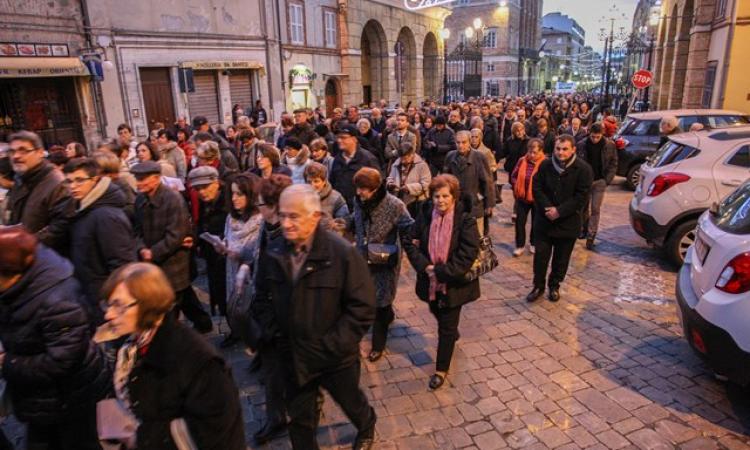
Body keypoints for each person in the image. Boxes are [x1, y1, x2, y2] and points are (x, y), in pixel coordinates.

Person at [253, 184, 377, 450]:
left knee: (351, 402)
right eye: (283, 214)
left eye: (294, 216)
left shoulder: (341, 254)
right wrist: (275, 334)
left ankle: (366, 425)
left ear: (315, 217)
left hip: (334, 358)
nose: (286, 223)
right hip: (293, 355)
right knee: (300, 420)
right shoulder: (274, 251)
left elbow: (363, 307)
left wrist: (333, 345)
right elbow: (261, 298)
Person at [102, 263, 246, 449]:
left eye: (119, 306)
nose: (108, 314)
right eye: (108, 304)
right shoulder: (131, 347)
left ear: (148, 304)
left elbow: (214, 430)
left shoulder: (198, 360)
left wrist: (140, 437)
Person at [0, 226, 109, 449]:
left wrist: (9, 362)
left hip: (69, 399)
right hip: (44, 398)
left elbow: (62, 360)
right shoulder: (23, 283)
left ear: (11, 274)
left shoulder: (57, 300)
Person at [402, 174, 480, 389]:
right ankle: (452, 331)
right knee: (435, 309)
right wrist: (425, 266)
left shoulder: (465, 219)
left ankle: (441, 369)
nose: (441, 201)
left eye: (445, 196)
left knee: (446, 327)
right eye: (437, 196)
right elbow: (409, 241)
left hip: (454, 283)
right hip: (429, 280)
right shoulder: (425, 213)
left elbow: (467, 253)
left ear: (454, 196)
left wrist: (441, 272)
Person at [132, 161, 213, 332]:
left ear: (155, 179)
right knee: (185, 298)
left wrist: (151, 253)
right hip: (153, 262)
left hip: (174, 261)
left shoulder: (173, 200)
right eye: (137, 178)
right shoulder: (140, 200)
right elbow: (137, 230)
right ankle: (203, 324)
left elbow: (176, 235)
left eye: (142, 179)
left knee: (171, 303)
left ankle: (172, 336)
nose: (138, 183)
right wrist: (141, 249)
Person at [350, 167, 414, 363]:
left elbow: (409, 226)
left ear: (376, 188)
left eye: (364, 188)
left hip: (384, 260)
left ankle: (378, 345)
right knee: (366, 298)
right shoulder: (358, 201)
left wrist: (405, 248)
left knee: (382, 302)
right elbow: (356, 221)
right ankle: (387, 316)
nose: (359, 192)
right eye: (358, 188)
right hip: (363, 257)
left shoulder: (394, 205)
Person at [63, 157, 135, 321]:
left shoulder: (105, 216)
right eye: (69, 181)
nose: (73, 186)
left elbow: (122, 265)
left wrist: (115, 304)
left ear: (95, 180)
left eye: (79, 180)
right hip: (94, 295)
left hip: (107, 301)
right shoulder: (82, 208)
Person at [527, 134, 593, 303]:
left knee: (561, 259)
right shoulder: (545, 165)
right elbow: (537, 187)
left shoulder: (583, 169)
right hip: (545, 221)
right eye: (558, 149)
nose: (561, 152)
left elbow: (581, 197)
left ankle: (554, 285)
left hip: (567, 223)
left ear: (573, 150)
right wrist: (547, 208)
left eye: (565, 149)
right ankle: (538, 286)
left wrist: (560, 211)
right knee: (540, 258)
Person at [7, 130, 74, 253]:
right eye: (12, 151)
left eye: (23, 150)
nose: (16, 156)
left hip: (47, 259)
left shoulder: (57, 183)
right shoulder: (20, 178)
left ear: (39, 153)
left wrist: (28, 242)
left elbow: (61, 226)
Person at [188, 166, 229, 322]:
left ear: (216, 183)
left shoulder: (229, 202)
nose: (202, 192)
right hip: (211, 255)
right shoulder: (204, 201)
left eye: (205, 187)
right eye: (198, 189)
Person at [443, 130, 494, 235]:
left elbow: (487, 181)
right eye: (458, 142)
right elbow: (445, 180)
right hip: (455, 205)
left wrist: (489, 204)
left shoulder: (479, 157)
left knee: (476, 238)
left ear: (469, 142)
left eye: (464, 142)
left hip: (475, 205)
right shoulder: (450, 156)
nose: (461, 145)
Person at [577, 123, 617, 248]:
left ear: (602, 134)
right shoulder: (582, 144)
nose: (595, 139)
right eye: (593, 137)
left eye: (597, 137)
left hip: (600, 181)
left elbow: (613, 162)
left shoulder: (609, 145)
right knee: (583, 207)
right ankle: (584, 229)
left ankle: (591, 235)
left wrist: (607, 180)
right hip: (585, 181)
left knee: (595, 209)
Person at [330, 124, 379, 209]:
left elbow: (378, 185)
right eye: (338, 137)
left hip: (361, 207)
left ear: (354, 139)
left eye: (343, 138)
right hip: (341, 207)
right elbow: (332, 182)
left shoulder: (367, 159)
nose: (339, 140)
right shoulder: (337, 159)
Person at [510, 139, 546, 256]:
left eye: (535, 152)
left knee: (536, 222)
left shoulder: (545, 163)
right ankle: (520, 245)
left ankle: (533, 243)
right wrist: (516, 185)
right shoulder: (522, 161)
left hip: (537, 199)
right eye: (530, 152)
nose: (531, 155)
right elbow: (514, 175)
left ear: (541, 151)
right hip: (522, 197)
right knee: (520, 222)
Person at [387, 142, 432, 217]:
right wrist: (390, 184)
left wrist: (409, 188)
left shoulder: (422, 165)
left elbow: (426, 184)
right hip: (400, 201)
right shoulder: (396, 164)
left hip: (417, 202)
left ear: (412, 155)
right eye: (401, 158)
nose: (403, 161)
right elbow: (390, 177)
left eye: (405, 158)